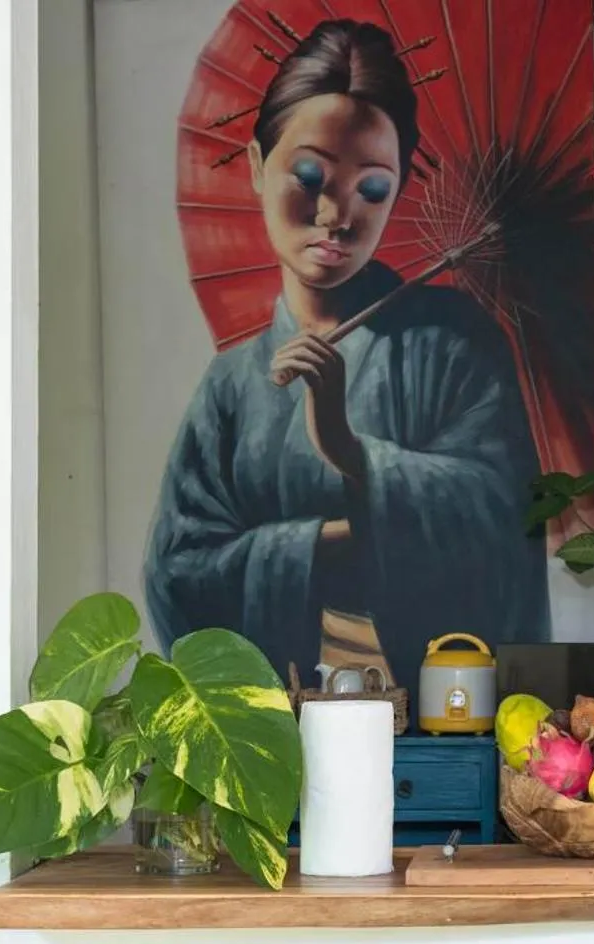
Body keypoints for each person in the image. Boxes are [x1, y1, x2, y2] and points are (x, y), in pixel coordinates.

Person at [145, 18, 552, 686]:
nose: (338, 214)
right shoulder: (230, 385)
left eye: (372, 189)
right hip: (281, 726)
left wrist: (350, 450)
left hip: (435, 709)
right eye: (309, 174)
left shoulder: (454, 346)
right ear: (256, 166)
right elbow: (178, 572)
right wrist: (329, 543)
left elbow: (500, 526)